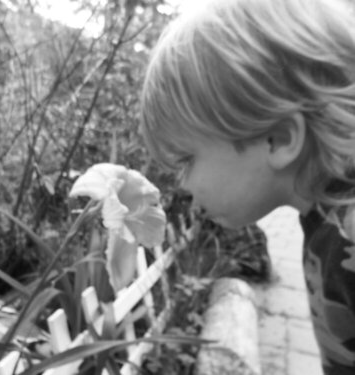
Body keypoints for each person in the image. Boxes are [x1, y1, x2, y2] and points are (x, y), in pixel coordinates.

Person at [139, 0, 355, 373]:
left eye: (187, 160)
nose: (183, 185)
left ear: (279, 139)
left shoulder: (348, 238)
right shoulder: (324, 222)